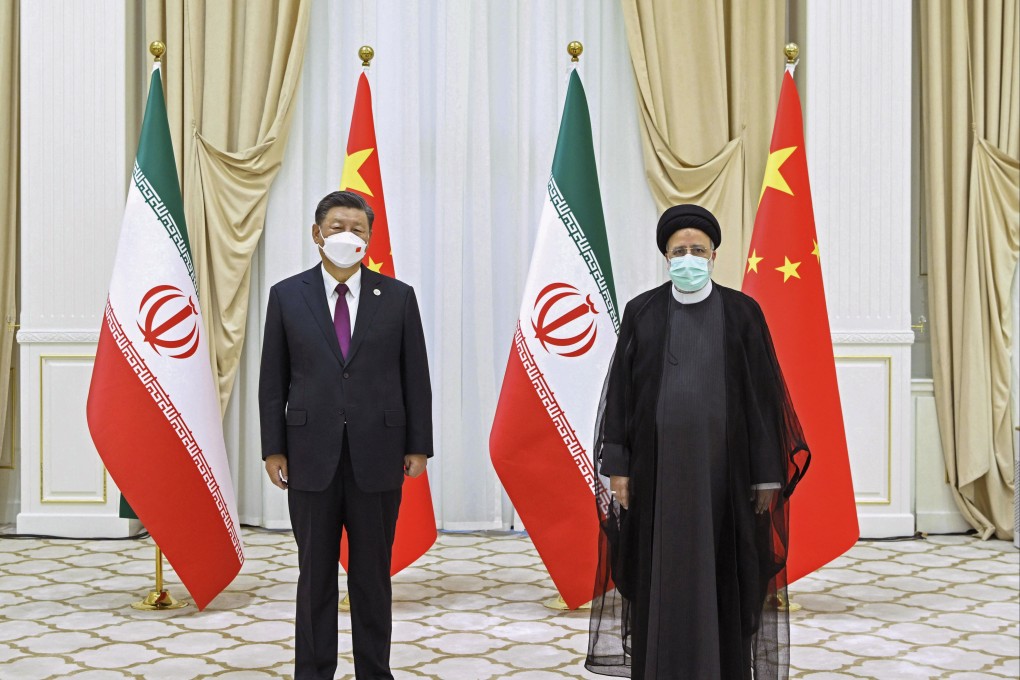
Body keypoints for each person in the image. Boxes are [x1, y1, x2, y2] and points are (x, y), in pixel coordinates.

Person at [585, 204, 809, 679]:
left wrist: (768, 472)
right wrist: (618, 467)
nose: (689, 258)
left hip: (725, 480)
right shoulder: (642, 311)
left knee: (722, 577)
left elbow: (763, 397)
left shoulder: (743, 312)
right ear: (666, 256)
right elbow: (621, 397)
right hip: (655, 478)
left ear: (714, 255)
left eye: (698, 250)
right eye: (679, 251)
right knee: (658, 578)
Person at [259, 190, 433, 680]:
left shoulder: (397, 297)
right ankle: (313, 672)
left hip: (378, 457)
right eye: (337, 226)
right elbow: (273, 379)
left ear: (369, 239)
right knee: (314, 574)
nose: (347, 236)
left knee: (372, 576)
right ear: (317, 234)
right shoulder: (286, 295)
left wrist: (418, 445)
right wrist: (274, 447)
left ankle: (374, 672)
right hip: (309, 455)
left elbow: (414, 376)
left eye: (358, 229)